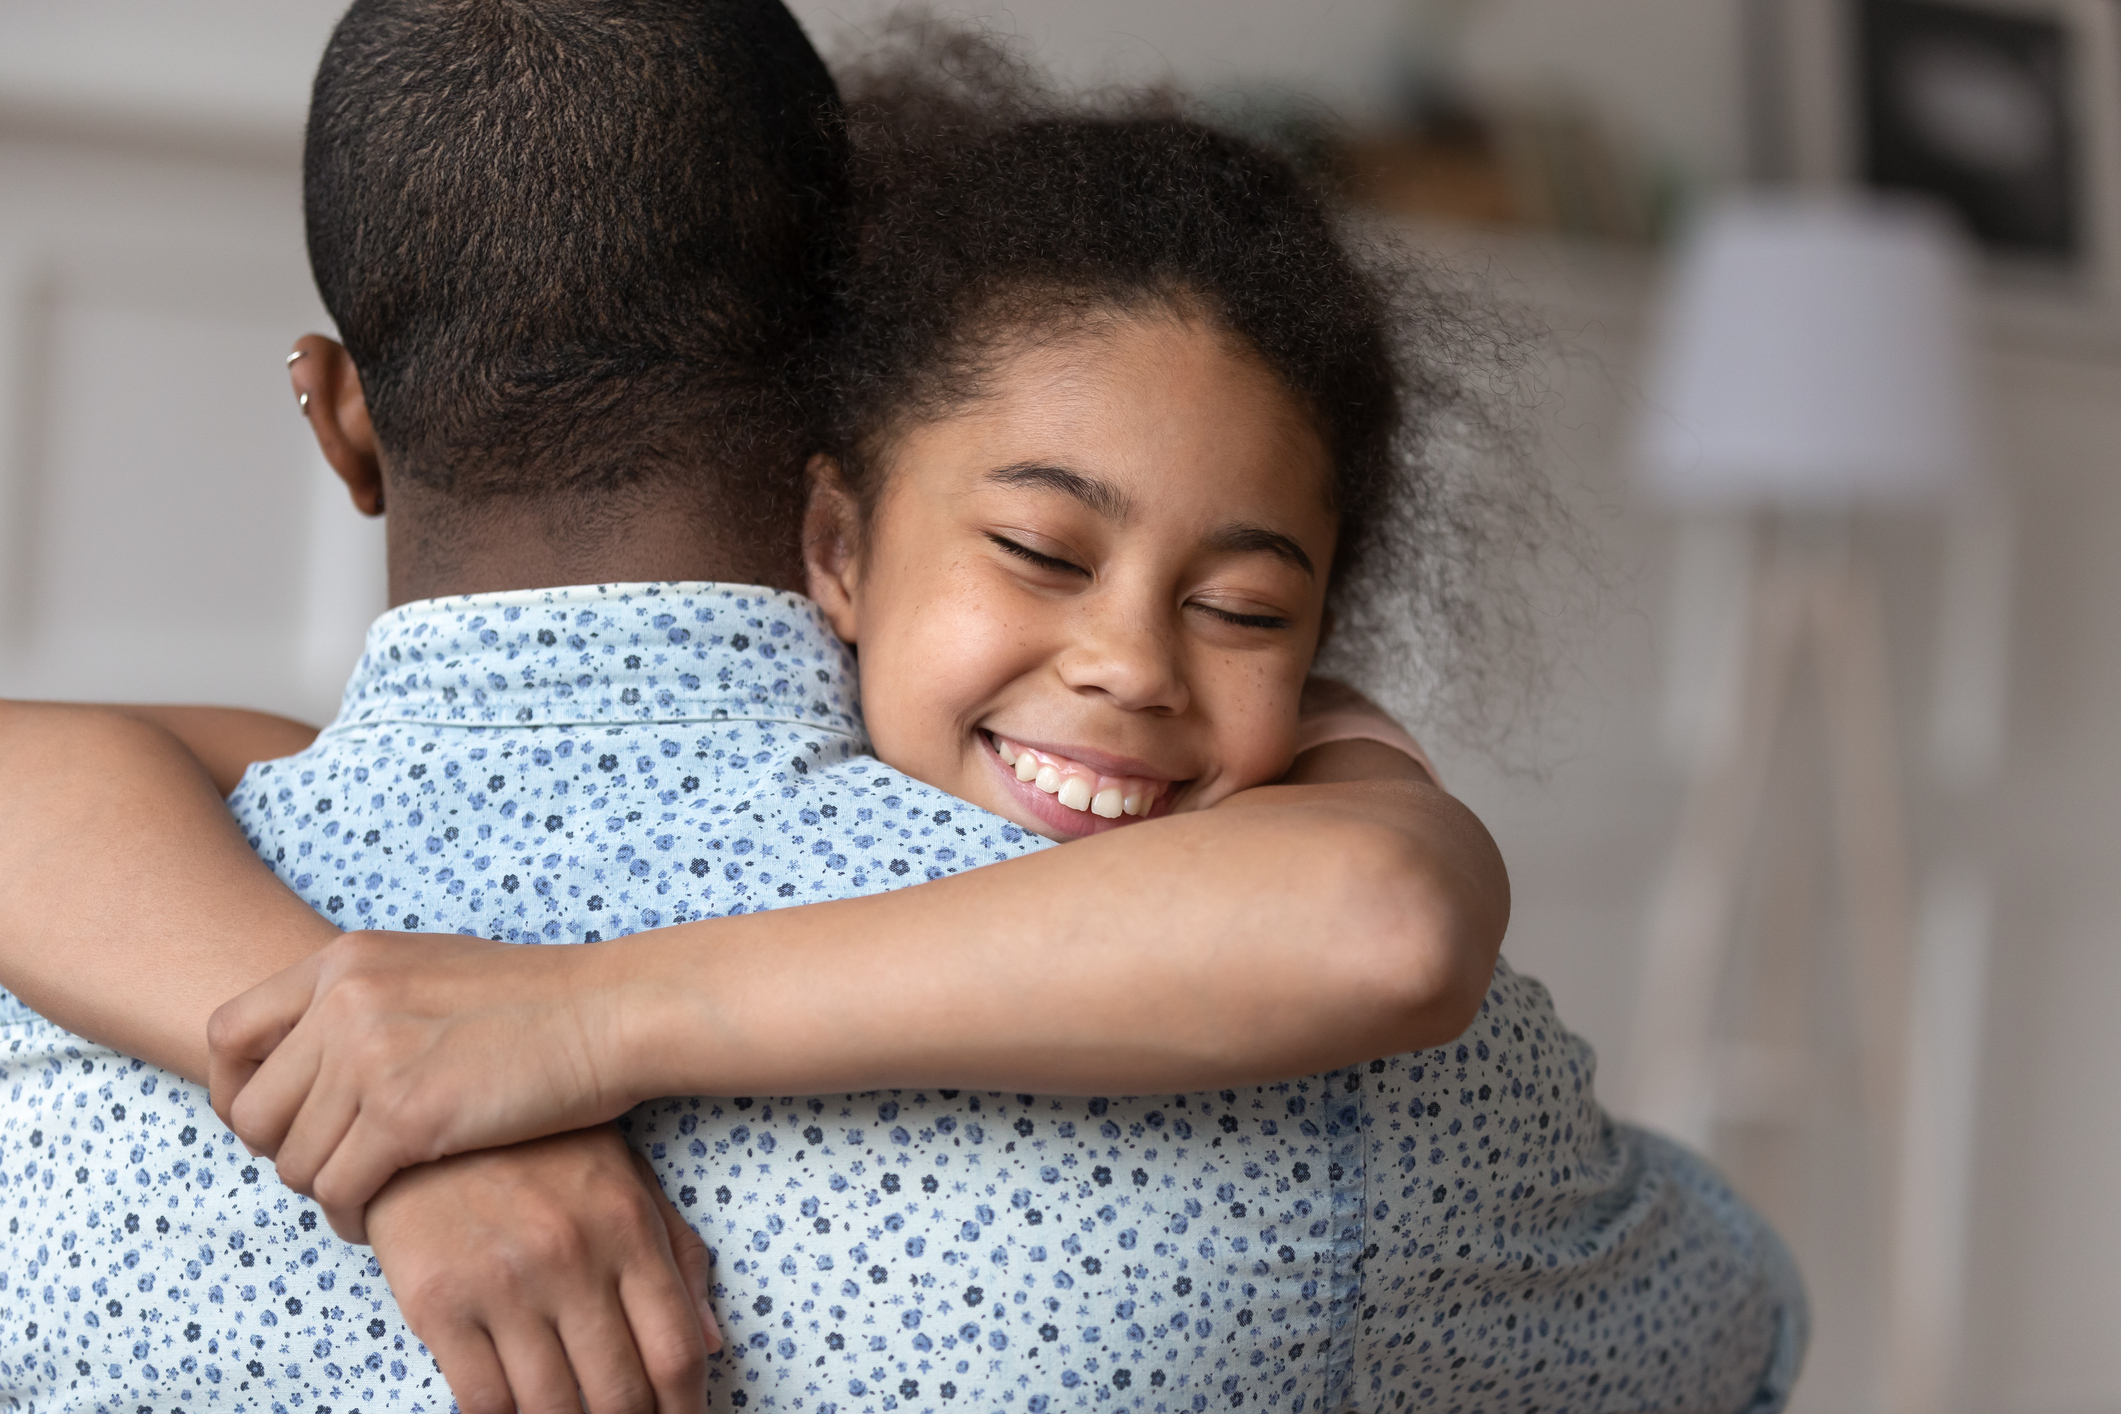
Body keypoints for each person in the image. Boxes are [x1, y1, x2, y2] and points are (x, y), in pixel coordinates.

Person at [0, 11, 1805, 1414]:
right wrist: (1351, 759)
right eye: (1043, 545)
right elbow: (1730, 1317)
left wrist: (498, 1059)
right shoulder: (1318, 1049)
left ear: (337, 417)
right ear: (851, 421)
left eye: (1241, 605)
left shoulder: (97, 943)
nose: (1133, 661)